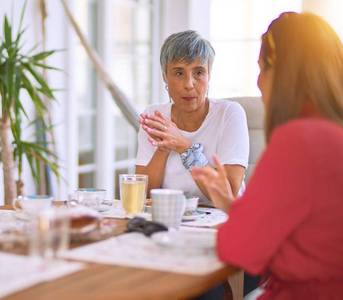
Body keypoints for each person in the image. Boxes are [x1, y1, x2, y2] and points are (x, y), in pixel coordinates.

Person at [192, 12, 343, 299]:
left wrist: (236, 221)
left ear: (284, 73)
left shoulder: (299, 141)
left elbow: (239, 249)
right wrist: (229, 204)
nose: (259, 82)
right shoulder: (331, 134)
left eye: (262, 68)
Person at [136, 30, 249, 205]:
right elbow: (142, 194)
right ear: (165, 76)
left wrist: (183, 146)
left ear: (209, 75)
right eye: (179, 73)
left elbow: (230, 194)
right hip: (170, 219)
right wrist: (163, 147)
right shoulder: (155, 117)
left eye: (198, 72)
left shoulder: (230, 113)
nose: (189, 84)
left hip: (223, 220)